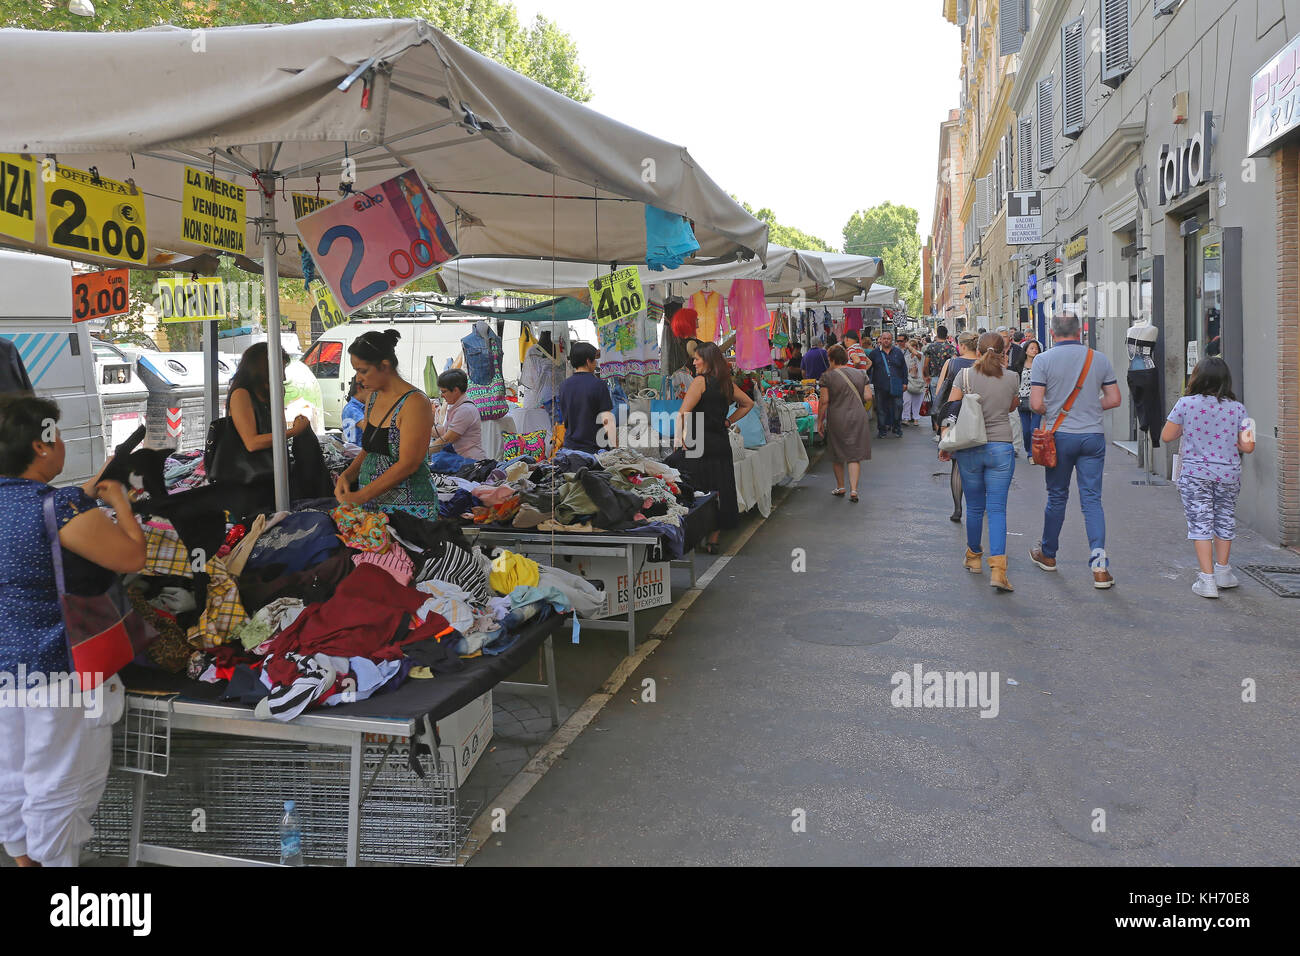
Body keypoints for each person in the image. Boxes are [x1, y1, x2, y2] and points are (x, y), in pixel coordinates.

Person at [0, 393, 146, 867]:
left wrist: (88, 490)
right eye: (56, 435)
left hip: (6, 675)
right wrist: (120, 501)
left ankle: (23, 862)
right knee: (59, 783)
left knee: (12, 777)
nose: (61, 442)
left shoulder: (48, 505)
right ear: (40, 447)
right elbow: (131, 556)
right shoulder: (57, 509)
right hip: (56, 675)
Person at [1027, 311, 1122, 588]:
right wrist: (1090, 408)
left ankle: (1048, 554)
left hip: (1060, 437)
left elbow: (1035, 404)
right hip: (1092, 436)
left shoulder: (1042, 360)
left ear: (1053, 334)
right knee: (1092, 500)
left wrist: (1056, 411)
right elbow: (1114, 399)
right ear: (1080, 332)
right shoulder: (1098, 358)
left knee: (1057, 497)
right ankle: (1100, 567)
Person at [1161, 357, 1255, 598]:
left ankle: (1207, 579)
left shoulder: (1186, 404)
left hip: (1195, 474)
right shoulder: (1238, 408)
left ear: (1197, 378)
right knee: (1224, 519)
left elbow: (1167, 436)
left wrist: (1187, 427)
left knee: (1200, 523)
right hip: (1228, 474)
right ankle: (1223, 571)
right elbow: (1248, 446)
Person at [939, 334, 1021, 591]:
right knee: (997, 510)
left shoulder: (964, 375)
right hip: (1001, 447)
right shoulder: (1011, 377)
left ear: (977, 349)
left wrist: (945, 442)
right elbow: (1010, 407)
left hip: (970, 446)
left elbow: (951, 408)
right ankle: (998, 571)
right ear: (1003, 350)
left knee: (974, 507)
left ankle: (974, 558)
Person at [335, 329, 439, 518]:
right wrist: (348, 475)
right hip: (372, 506)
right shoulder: (372, 398)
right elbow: (369, 448)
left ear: (384, 366)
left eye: (363, 371)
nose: (358, 378)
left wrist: (360, 496)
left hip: (409, 512)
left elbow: (409, 464)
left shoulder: (415, 402)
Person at [225, 342, 332, 508]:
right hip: (250, 469)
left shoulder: (271, 393)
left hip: (272, 463)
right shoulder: (241, 394)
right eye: (280, 369)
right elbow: (252, 443)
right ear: (263, 369)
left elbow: (278, 429)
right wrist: (293, 431)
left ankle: (322, 498)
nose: (283, 376)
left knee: (306, 440)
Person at [676, 342, 753, 554]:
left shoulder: (700, 382)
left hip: (697, 440)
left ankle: (696, 533)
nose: (693, 362)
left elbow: (683, 412)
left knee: (697, 486)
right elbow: (748, 404)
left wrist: (681, 438)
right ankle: (714, 538)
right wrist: (728, 421)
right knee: (720, 487)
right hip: (719, 441)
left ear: (707, 360)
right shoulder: (726, 383)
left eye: (697, 359)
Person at [817, 344, 873, 502]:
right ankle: (854, 490)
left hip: (837, 416)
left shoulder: (827, 377)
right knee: (854, 454)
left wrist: (820, 421)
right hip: (858, 415)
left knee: (837, 453)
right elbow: (868, 396)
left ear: (832, 359)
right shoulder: (861, 374)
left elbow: (824, 401)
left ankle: (841, 487)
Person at [936, 331, 979, 521]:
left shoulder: (951, 364)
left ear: (961, 346)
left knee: (957, 464)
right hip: (979, 418)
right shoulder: (983, 364)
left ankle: (957, 509)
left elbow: (940, 393)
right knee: (980, 463)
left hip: (954, 418)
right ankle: (979, 505)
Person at [555, 342, 617, 455]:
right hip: (595, 450)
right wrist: (616, 447)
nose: (596, 363)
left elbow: (564, 418)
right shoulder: (599, 385)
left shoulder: (563, 386)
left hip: (570, 450)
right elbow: (607, 419)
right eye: (594, 360)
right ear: (588, 361)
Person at [430, 368, 485, 461]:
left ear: (455, 390)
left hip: (469, 463)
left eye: (444, 391)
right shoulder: (456, 406)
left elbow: (446, 439)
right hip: (460, 460)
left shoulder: (465, 410)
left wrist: (421, 453)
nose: (442, 396)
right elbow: (445, 431)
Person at [868, 331, 907, 438]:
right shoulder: (875, 353)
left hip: (896, 384)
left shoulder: (898, 352)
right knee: (881, 408)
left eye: (888, 338)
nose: (886, 340)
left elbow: (904, 368)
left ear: (892, 340)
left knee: (898, 406)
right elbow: (868, 367)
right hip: (880, 385)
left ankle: (897, 427)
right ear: (881, 339)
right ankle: (882, 430)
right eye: (884, 338)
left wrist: (905, 382)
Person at [1016, 339, 1043, 459]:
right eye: (1032, 348)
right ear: (1026, 350)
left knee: (1034, 428)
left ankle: (1032, 455)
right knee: (1026, 430)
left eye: (1036, 348)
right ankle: (1028, 447)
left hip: (1038, 400)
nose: (1035, 350)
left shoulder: (1042, 364)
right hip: (1022, 400)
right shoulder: (1019, 365)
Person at [899, 334, 926, 426]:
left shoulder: (920, 355)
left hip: (919, 382)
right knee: (906, 401)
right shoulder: (906, 357)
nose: (911, 348)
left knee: (917, 402)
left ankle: (916, 418)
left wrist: (909, 346)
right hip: (909, 381)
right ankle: (906, 418)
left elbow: (917, 354)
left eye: (914, 346)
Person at [340, 375, 371, 446]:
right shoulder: (351, 409)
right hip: (357, 452)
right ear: (359, 388)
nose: (375, 394)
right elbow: (369, 429)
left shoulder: (360, 407)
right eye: (371, 390)